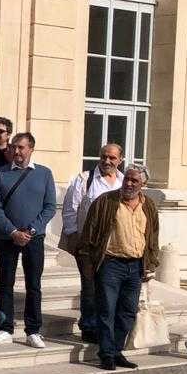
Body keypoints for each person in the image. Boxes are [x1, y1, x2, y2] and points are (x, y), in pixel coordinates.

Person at [74, 165, 159, 371]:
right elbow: (89, 234)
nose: (129, 183)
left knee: (128, 312)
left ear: (143, 184)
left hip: (136, 266)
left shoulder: (149, 206)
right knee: (107, 310)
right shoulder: (105, 201)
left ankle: (117, 350)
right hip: (111, 264)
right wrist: (88, 264)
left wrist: (150, 263)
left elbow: (153, 236)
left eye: (134, 181)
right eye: (127, 179)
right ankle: (106, 354)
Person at [0, 132, 58, 348]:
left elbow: (49, 207)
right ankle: (5, 327)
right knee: (6, 284)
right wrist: (12, 231)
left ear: (31, 149)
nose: (16, 151)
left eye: (21, 148)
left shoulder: (44, 174)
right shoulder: (1, 174)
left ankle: (33, 330)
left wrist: (32, 230)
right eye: (14, 147)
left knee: (33, 285)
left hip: (34, 238)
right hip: (7, 237)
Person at [62, 143, 125, 343]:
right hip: (87, 245)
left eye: (112, 158)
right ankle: (89, 326)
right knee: (90, 287)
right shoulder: (85, 179)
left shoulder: (124, 182)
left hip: (115, 246)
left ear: (120, 160)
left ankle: (106, 326)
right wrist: (72, 236)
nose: (107, 161)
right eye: (104, 156)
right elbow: (70, 209)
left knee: (108, 288)